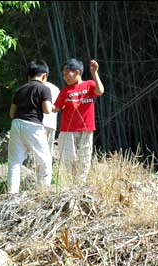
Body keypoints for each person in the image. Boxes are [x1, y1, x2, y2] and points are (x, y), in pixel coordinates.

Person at [53, 58, 104, 183]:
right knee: (68, 159)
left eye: (67, 74)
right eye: (63, 75)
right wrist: (44, 102)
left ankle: (80, 184)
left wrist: (94, 72)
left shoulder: (89, 84)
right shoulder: (65, 91)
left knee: (85, 157)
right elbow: (56, 108)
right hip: (67, 130)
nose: (65, 77)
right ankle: (70, 183)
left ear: (77, 72)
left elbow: (100, 91)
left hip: (86, 129)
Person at [7, 60, 53, 194]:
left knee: (15, 161)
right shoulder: (44, 88)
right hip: (33, 125)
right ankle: (43, 192)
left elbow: (11, 113)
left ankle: (12, 193)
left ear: (29, 75)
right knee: (44, 160)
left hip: (16, 124)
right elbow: (47, 109)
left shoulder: (20, 89)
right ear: (44, 76)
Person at [42, 81, 60, 155]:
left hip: (38, 123)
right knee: (48, 153)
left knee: (36, 152)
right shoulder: (56, 89)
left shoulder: (37, 86)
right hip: (52, 124)